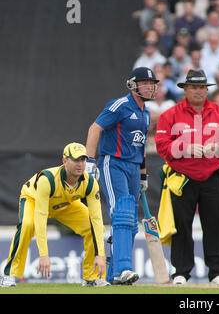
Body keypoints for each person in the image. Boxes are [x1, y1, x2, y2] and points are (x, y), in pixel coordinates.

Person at [155, 69, 219, 284]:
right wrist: (187, 148)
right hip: (182, 177)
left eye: (202, 87)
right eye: (194, 87)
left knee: (216, 224)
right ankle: (181, 272)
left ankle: (218, 273)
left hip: (212, 176)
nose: (199, 91)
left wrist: (217, 147)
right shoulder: (170, 115)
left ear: (207, 90)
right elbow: (162, 147)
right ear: (185, 89)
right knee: (181, 225)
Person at [85, 67, 159, 285]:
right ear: (133, 85)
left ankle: (112, 274)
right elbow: (95, 128)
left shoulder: (145, 113)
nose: (149, 86)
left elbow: (141, 146)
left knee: (130, 223)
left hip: (134, 168)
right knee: (121, 214)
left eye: (151, 83)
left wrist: (143, 175)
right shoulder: (120, 105)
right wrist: (89, 162)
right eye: (144, 82)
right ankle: (123, 269)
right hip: (113, 163)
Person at [1, 143, 107, 287]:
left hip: (64, 204)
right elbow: (41, 216)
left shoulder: (90, 183)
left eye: (83, 160)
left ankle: (91, 278)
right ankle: (9, 275)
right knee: (27, 225)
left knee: (94, 227)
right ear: (64, 161)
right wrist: (44, 255)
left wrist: (99, 255)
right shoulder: (48, 179)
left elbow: (96, 219)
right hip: (33, 199)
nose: (80, 164)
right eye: (75, 159)